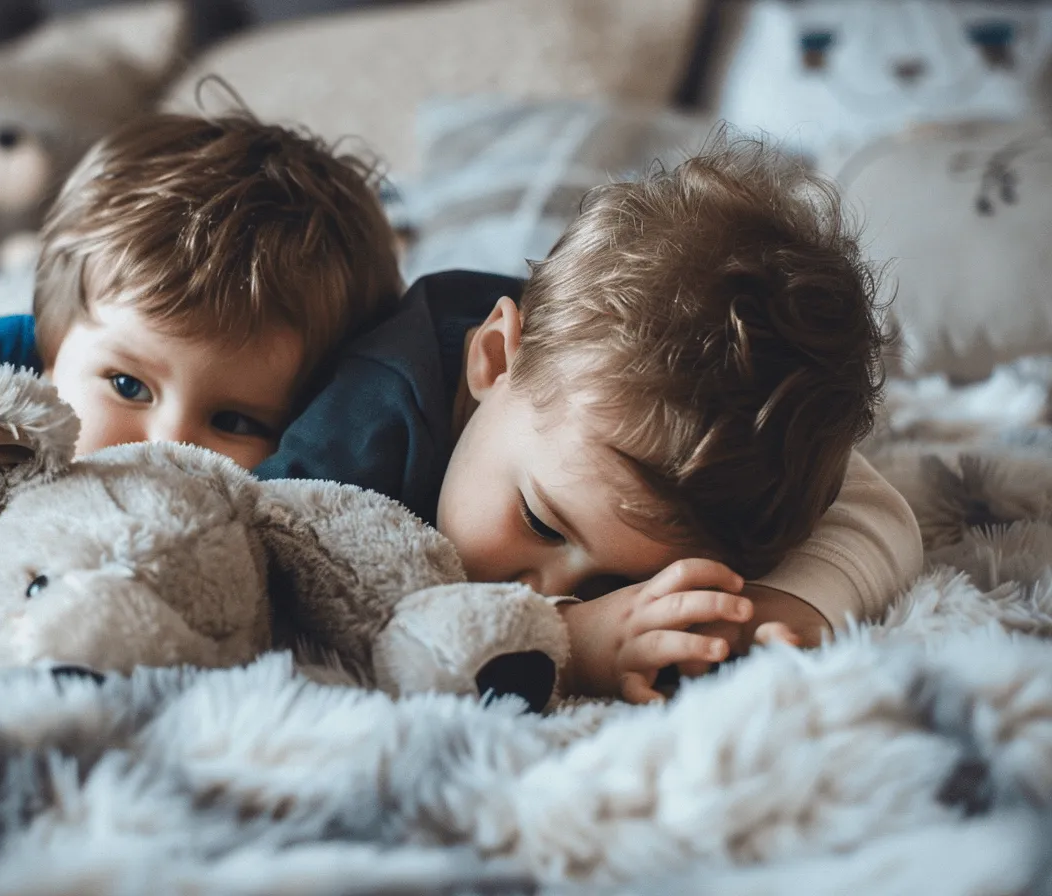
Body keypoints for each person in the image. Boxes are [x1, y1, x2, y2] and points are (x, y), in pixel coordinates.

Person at [255, 135, 923, 703]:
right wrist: (570, 642)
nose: (546, 592)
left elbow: (879, 512)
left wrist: (782, 613)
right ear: (494, 360)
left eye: (618, 585)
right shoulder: (371, 418)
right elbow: (274, 573)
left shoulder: (722, 434)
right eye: (542, 521)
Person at [0, 109, 403, 661]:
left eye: (234, 422)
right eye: (127, 385)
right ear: (54, 346)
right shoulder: (12, 365)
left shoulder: (288, 493)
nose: (166, 446)